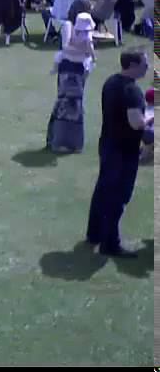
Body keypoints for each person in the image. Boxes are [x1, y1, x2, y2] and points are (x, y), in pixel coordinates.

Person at [86, 49, 151, 257]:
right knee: (118, 196)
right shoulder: (132, 92)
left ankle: (94, 233)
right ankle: (110, 244)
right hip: (124, 151)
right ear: (132, 65)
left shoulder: (111, 82)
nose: (147, 68)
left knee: (102, 191)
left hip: (108, 144)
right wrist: (151, 120)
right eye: (144, 64)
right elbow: (135, 123)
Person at [46, 13, 96, 154]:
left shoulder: (85, 35)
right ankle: (61, 140)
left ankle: (66, 141)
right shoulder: (72, 28)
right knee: (66, 105)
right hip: (71, 69)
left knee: (72, 105)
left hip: (74, 70)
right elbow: (68, 47)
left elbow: (86, 51)